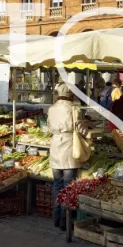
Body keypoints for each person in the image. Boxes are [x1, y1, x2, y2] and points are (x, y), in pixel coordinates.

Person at [47, 83, 91, 230]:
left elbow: (49, 126)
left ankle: (56, 218)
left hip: (55, 146)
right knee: (68, 186)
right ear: (71, 95)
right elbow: (79, 127)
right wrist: (89, 134)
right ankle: (65, 221)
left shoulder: (51, 109)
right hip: (69, 147)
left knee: (57, 185)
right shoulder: (73, 108)